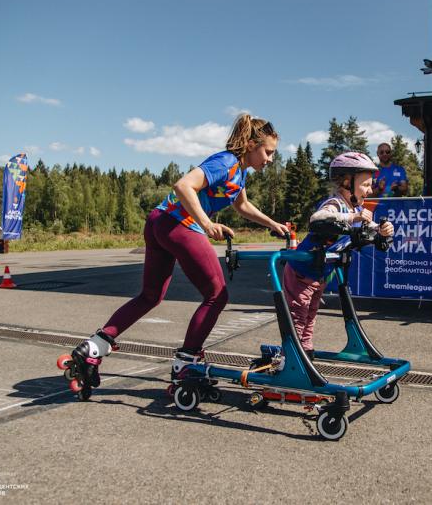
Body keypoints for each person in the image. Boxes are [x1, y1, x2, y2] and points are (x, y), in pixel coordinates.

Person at [67, 114, 289, 391]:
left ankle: (95, 346)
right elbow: (183, 185)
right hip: (179, 225)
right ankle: (187, 362)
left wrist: (272, 224)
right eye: (267, 152)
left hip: (160, 221)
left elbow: (242, 206)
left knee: (150, 295)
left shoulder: (240, 172)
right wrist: (207, 223)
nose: (270, 159)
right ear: (250, 144)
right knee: (217, 295)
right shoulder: (226, 162)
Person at [284, 152, 393, 360]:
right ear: (346, 182)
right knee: (299, 315)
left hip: (319, 274)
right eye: (366, 185)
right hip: (301, 270)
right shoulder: (335, 204)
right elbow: (318, 219)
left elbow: (372, 231)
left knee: (311, 313)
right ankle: (293, 357)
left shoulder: (357, 209)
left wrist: (384, 230)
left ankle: (305, 350)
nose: (370, 190)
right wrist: (353, 217)